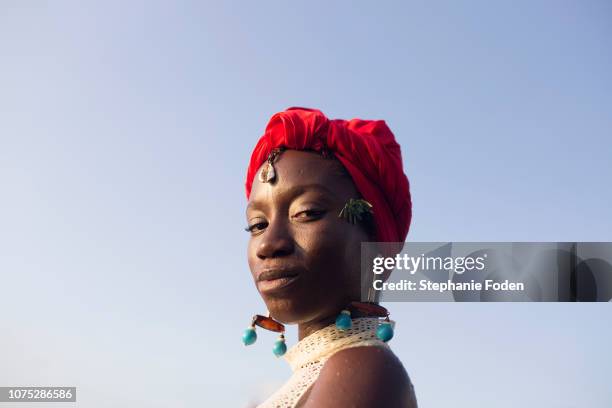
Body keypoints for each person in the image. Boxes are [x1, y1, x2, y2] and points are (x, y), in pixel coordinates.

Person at [243, 107, 417, 407]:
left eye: (307, 213)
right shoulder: (318, 376)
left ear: (375, 247)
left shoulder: (363, 368)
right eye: (258, 225)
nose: (268, 244)